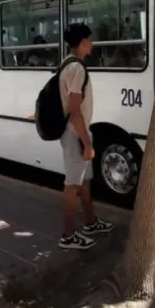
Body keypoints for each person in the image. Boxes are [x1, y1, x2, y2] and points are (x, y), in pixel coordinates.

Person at [58, 23, 114, 250]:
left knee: (85, 179)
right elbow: (74, 110)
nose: (92, 43)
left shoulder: (67, 63)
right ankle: (68, 237)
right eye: (89, 40)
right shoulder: (77, 69)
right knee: (72, 185)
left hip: (77, 131)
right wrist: (87, 142)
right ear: (81, 43)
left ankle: (90, 222)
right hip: (75, 134)